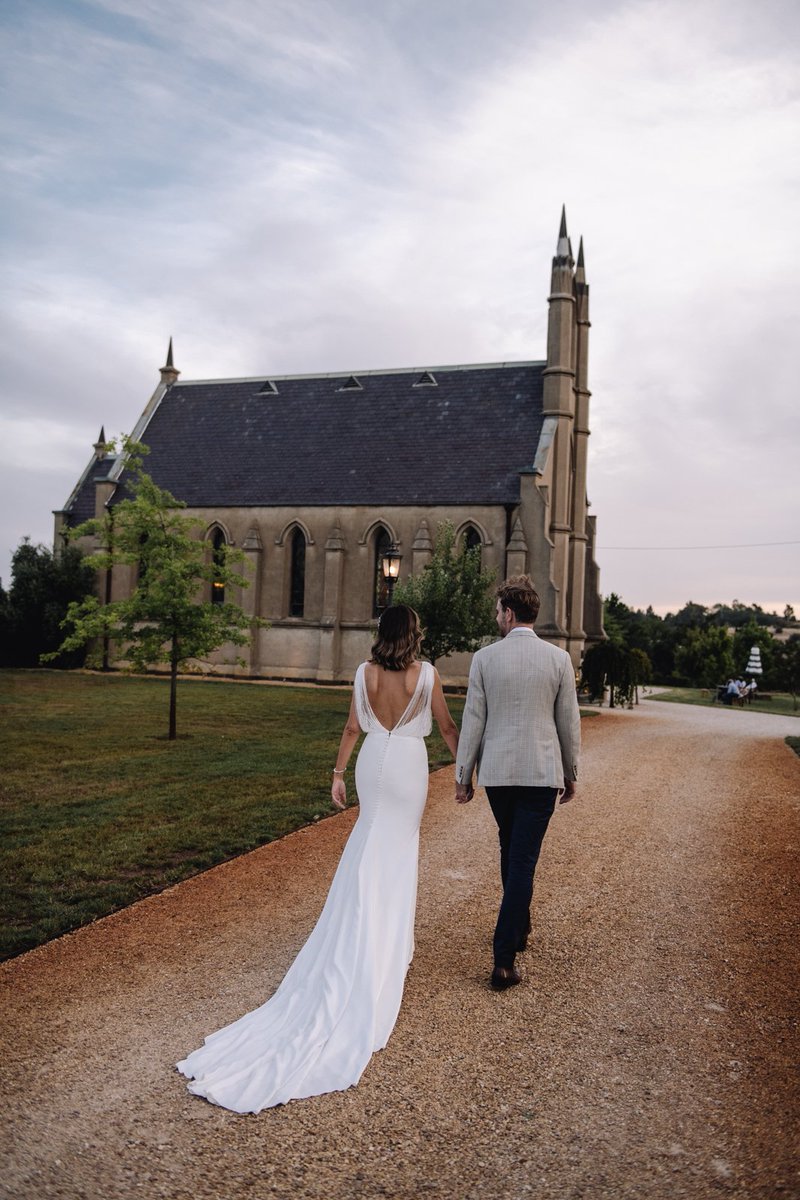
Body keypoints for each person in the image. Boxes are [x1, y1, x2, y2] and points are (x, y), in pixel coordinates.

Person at [177, 604, 459, 1113]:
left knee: (369, 840)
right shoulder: (430, 675)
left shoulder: (364, 673)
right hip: (410, 770)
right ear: (414, 635)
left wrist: (336, 773)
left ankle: (367, 928)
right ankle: (386, 944)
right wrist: (463, 770)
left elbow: (353, 728)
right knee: (396, 850)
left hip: (374, 762)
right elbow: (445, 728)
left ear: (382, 633)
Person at [455, 576, 581, 991]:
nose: (497, 618)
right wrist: (571, 772)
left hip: (499, 775)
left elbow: (474, 720)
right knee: (521, 857)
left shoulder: (485, 659)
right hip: (541, 773)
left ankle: (516, 929)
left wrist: (463, 776)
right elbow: (569, 722)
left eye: (497, 612)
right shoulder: (558, 659)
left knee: (512, 849)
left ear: (509, 613)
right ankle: (504, 959)